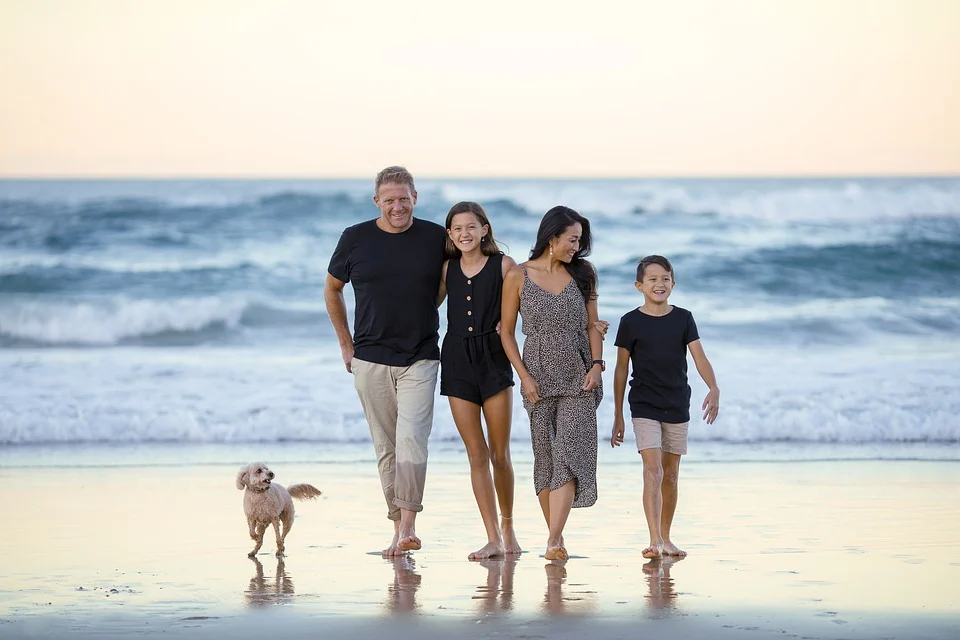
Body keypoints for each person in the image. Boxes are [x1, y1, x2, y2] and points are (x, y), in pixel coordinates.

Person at [323, 166, 446, 557]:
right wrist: (346, 344)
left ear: (415, 198)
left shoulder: (435, 237)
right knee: (386, 446)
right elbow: (332, 289)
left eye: (404, 198)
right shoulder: (354, 238)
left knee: (412, 440)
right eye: (389, 200)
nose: (398, 206)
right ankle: (398, 528)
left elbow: (453, 278)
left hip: (421, 355)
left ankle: (408, 525)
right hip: (370, 358)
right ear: (377, 201)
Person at [500, 205, 604, 562]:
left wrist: (597, 365)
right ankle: (555, 541)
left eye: (579, 241)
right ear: (551, 237)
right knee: (544, 459)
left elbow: (593, 325)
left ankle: (554, 539)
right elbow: (507, 333)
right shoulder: (517, 276)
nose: (576, 247)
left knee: (568, 453)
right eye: (572, 240)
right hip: (537, 376)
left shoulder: (584, 273)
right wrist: (524, 377)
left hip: (579, 375)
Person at [610, 255, 720, 559]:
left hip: (676, 403)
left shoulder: (683, 318)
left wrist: (713, 387)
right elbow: (621, 370)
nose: (660, 284)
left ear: (673, 283)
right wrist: (618, 413)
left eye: (665, 279)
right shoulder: (630, 322)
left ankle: (667, 538)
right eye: (653, 280)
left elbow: (699, 357)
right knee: (653, 470)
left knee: (671, 474)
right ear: (639, 285)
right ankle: (654, 539)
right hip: (644, 404)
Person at [439, 201, 520, 560]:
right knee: (476, 453)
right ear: (450, 235)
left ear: (484, 229)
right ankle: (491, 538)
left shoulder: (504, 265)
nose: (464, 234)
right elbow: (423, 308)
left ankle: (507, 525)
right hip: (456, 360)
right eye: (457, 229)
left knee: (500, 454)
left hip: (494, 359)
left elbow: (525, 308)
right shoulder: (446, 270)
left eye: (471, 227)